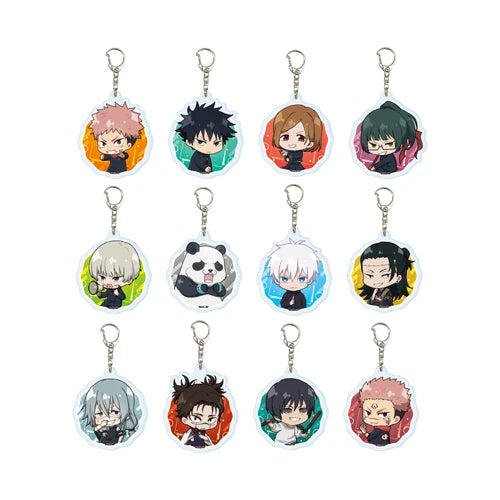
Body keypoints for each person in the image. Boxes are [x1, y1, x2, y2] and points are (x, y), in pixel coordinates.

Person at [176, 102, 236, 173]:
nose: (209, 148)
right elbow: (199, 162)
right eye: (200, 141)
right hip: (195, 172)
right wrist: (206, 168)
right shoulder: (197, 155)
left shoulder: (206, 155)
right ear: (188, 142)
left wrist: (209, 168)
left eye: (216, 143)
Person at [79, 378, 140, 446]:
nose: (107, 418)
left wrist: (119, 443)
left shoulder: (119, 428)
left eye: (115, 412)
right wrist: (101, 425)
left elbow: (121, 436)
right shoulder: (101, 429)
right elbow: (96, 430)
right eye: (100, 413)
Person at [172, 374, 226, 449]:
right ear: (184, 420)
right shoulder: (188, 435)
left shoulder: (205, 436)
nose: (204, 424)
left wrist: (210, 444)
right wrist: (183, 442)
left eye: (210, 419)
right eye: (196, 418)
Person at [89, 102, 144, 174]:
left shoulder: (122, 153)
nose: (110, 148)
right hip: (111, 169)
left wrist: (122, 155)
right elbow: (104, 157)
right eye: (103, 143)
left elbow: (125, 156)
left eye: (118, 142)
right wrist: (102, 157)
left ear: (129, 145)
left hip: (122, 169)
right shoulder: (110, 154)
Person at [267, 239, 319, 311]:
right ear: (276, 280)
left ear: (309, 281)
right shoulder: (286, 295)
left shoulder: (301, 296)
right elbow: (282, 304)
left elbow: (303, 305)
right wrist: (289, 303)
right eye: (284, 279)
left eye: (302, 279)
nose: (293, 284)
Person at [358, 377, 411, 447]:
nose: (372, 417)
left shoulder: (378, 431)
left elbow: (369, 437)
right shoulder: (384, 430)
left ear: (396, 419)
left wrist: (364, 431)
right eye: (368, 413)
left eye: (383, 414)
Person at [358, 241, 413, 308]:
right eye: (369, 275)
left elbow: (387, 303)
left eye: (385, 275)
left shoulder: (388, 292)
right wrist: (373, 297)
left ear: (398, 278)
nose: (376, 280)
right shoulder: (376, 291)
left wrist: (380, 299)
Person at [88, 240, 141, 309]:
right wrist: (99, 292)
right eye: (102, 277)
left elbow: (123, 297)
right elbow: (104, 295)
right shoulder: (109, 289)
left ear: (129, 280)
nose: (108, 282)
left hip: (115, 305)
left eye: (116, 278)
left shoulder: (118, 290)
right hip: (107, 303)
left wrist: (117, 294)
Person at [271, 104, 323, 171]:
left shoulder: (298, 152)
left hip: (297, 167)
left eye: (301, 138)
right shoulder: (288, 151)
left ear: (310, 143)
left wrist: (287, 153)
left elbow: (296, 155)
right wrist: (285, 154)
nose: (291, 142)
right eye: (285, 137)